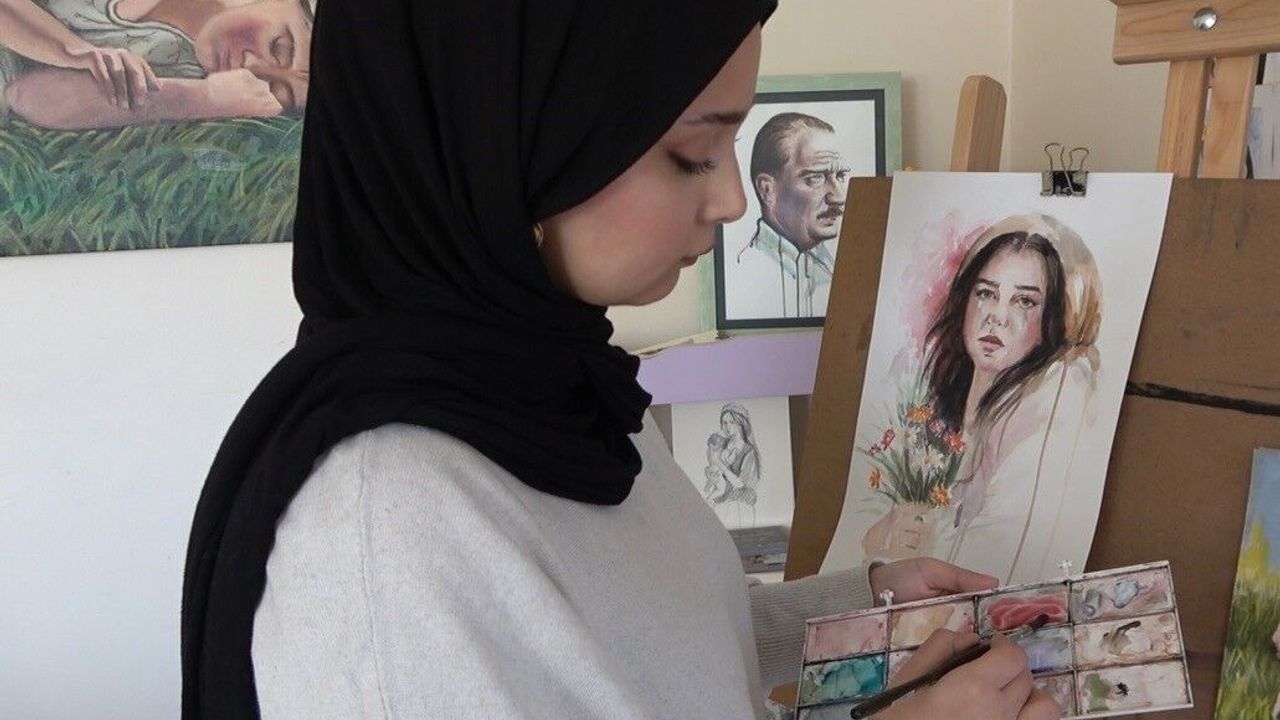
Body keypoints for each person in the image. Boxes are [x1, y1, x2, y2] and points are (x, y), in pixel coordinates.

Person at [179, 2, 1059, 719]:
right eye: (692, 152)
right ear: (506, 140)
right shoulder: (385, 527)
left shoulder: (559, 387)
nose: (729, 199)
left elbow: (638, 649)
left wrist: (856, 610)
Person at [922, 214, 1102, 584]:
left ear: (1051, 320)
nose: (997, 317)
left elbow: (992, 566)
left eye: (1024, 301)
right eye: (986, 293)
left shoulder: (1045, 411)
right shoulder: (935, 412)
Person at [0, 0, 311, 129]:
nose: (249, 68)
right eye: (279, 47)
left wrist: (203, 98)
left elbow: (26, 95)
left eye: (273, 88)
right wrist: (72, 50)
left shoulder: (181, 68)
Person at [734, 112, 849, 318]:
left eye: (840, 176)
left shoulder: (841, 275)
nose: (839, 197)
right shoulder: (740, 273)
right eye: (816, 178)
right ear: (767, 190)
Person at [703, 402, 762, 510]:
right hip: (719, 498)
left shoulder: (749, 451)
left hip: (738, 503)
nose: (727, 427)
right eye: (724, 423)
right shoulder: (721, 443)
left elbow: (740, 484)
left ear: (741, 423)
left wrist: (719, 463)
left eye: (732, 422)